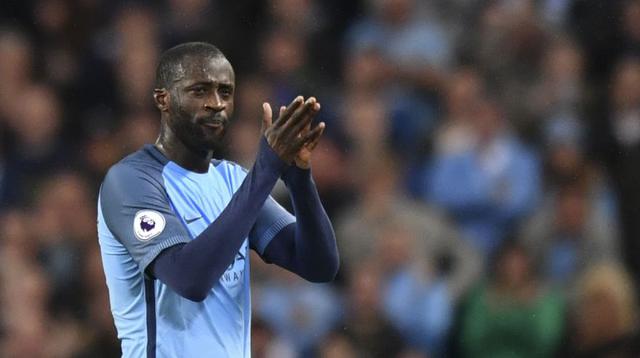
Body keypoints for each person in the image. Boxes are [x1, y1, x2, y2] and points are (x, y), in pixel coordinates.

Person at [97, 42, 339, 357]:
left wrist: (298, 178)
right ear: (163, 99)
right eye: (200, 91)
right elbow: (189, 279)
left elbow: (319, 265)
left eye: (225, 92)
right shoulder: (131, 181)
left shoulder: (233, 181)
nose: (216, 104)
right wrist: (265, 170)